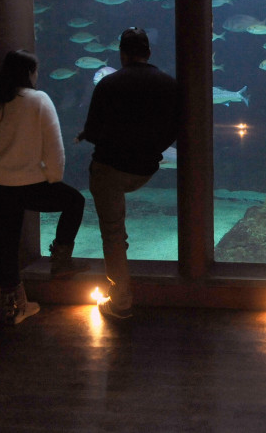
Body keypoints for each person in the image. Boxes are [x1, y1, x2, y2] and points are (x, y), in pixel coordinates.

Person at [0, 49, 86, 325]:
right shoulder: (38, 100)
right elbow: (54, 144)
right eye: (35, 71)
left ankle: (15, 307)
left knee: (6, 245)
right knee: (75, 202)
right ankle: (60, 260)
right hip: (32, 183)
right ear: (28, 73)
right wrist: (54, 176)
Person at [74, 27, 177, 320]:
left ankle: (120, 301)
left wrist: (92, 136)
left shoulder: (109, 84)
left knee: (114, 233)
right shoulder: (169, 84)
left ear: (122, 54)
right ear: (149, 53)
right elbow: (176, 127)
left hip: (110, 169)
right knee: (115, 231)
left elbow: (93, 130)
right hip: (146, 169)